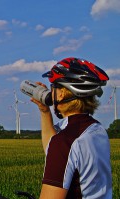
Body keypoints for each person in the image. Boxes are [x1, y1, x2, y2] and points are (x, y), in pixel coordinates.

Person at [30, 57, 112, 199]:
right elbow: (54, 150)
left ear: (61, 93)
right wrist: (45, 112)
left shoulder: (65, 142)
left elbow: (60, 148)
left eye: (53, 87)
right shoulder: (97, 130)